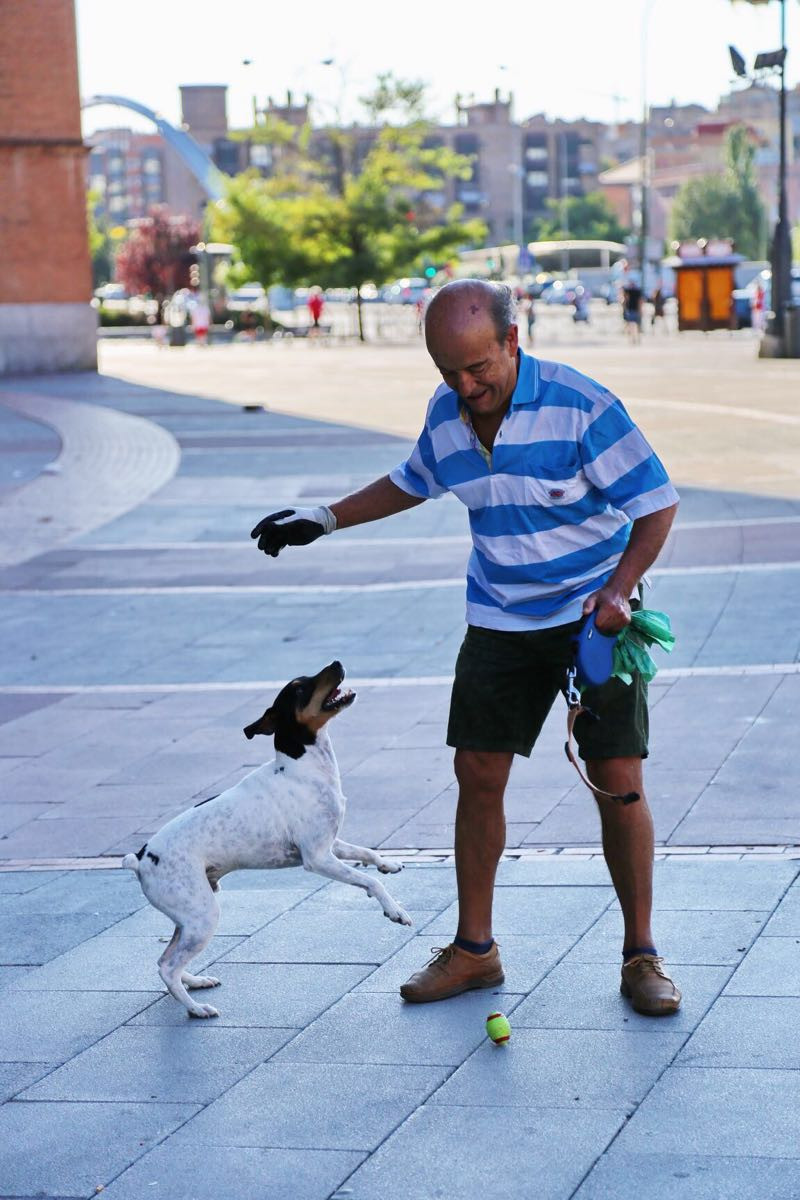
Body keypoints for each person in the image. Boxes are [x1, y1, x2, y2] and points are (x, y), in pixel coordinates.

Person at [250, 279, 682, 1017]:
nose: (465, 385)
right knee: (477, 772)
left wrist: (618, 592)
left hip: (591, 618)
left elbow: (656, 502)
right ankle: (474, 951)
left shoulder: (581, 404)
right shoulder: (448, 416)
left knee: (619, 780)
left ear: (513, 341)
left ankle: (641, 955)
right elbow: (414, 480)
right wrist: (322, 518)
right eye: (448, 372)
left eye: (478, 367)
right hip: (501, 619)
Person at [621, 273, 643, 343]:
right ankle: (635, 338)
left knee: (631, 324)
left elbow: (624, 299)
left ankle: (633, 338)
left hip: (631, 309)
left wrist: (624, 307)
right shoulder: (637, 290)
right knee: (635, 325)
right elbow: (640, 301)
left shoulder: (629, 290)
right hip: (633, 309)